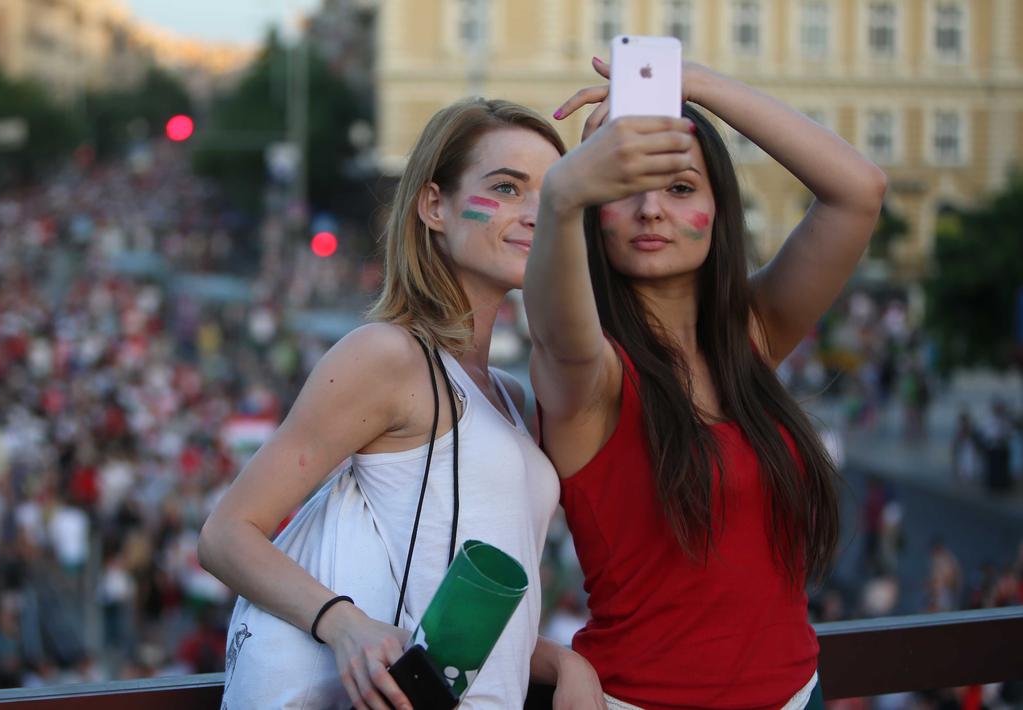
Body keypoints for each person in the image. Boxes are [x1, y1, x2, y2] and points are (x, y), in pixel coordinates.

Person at [198, 98, 603, 709]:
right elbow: (227, 533)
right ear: (433, 205)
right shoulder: (387, 356)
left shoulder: (511, 396)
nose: (532, 215)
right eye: (505, 188)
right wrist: (343, 623)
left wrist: (563, 662)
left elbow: (447, 594)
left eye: (550, 197)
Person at [524, 57, 886, 709]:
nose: (649, 209)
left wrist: (694, 86)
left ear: (719, 209)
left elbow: (856, 190)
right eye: (622, 188)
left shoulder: (752, 334)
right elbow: (553, 325)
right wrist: (561, 193)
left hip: (798, 695)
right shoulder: (592, 374)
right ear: (591, 214)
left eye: (680, 188)